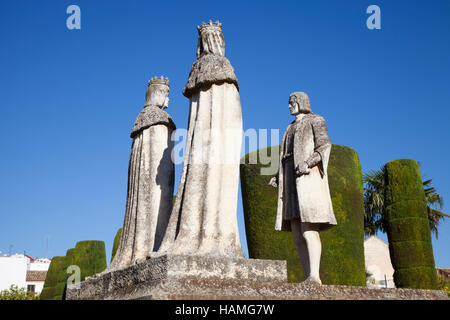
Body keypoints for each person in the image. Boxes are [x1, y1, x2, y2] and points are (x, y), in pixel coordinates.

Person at [269, 92, 337, 284]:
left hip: (306, 179)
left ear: (300, 103)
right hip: (290, 179)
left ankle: (315, 275)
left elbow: (324, 146)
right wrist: (278, 177)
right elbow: (287, 156)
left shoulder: (316, 120)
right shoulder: (289, 128)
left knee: (308, 229)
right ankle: (308, 276)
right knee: (297, 232)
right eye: (289, 103)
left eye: (292, 103)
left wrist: (308, 163)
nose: (289, 106)